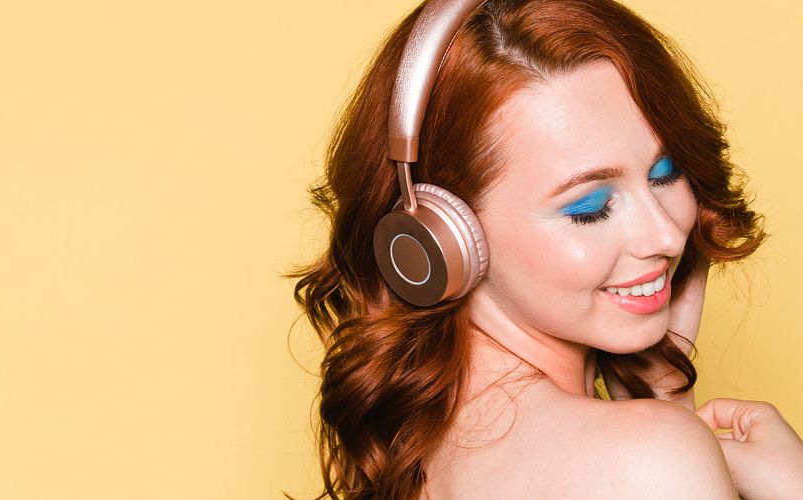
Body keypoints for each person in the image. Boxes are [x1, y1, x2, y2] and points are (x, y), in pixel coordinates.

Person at [288, 0, 795, 498]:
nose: (665, 235)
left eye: (665, 173)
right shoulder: (646, 460)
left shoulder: (418, 444)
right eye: (590, 208)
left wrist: (668, 401)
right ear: (442, 235)